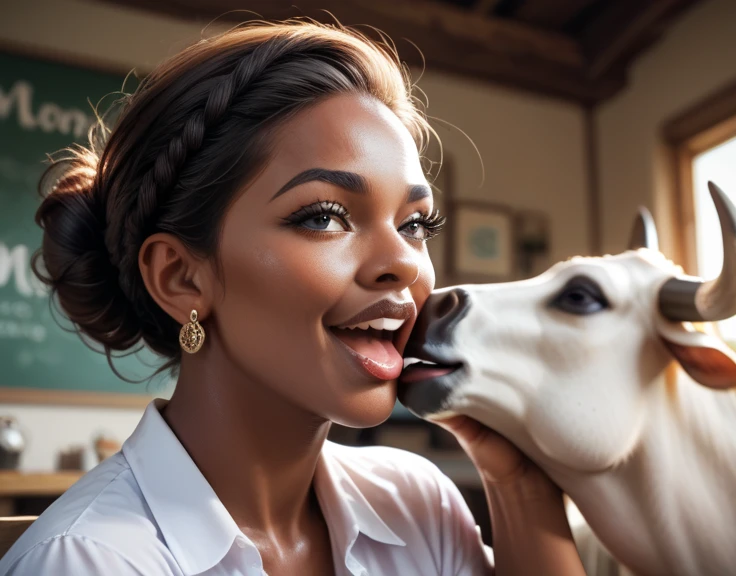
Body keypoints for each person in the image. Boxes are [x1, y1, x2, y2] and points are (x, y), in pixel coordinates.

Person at [0, 20, 586, 575]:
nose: (404, 263)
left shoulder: (418, 507)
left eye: (415, 225)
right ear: (181, 278)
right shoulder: (89, 560)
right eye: (325, 217)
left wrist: (519, 481)